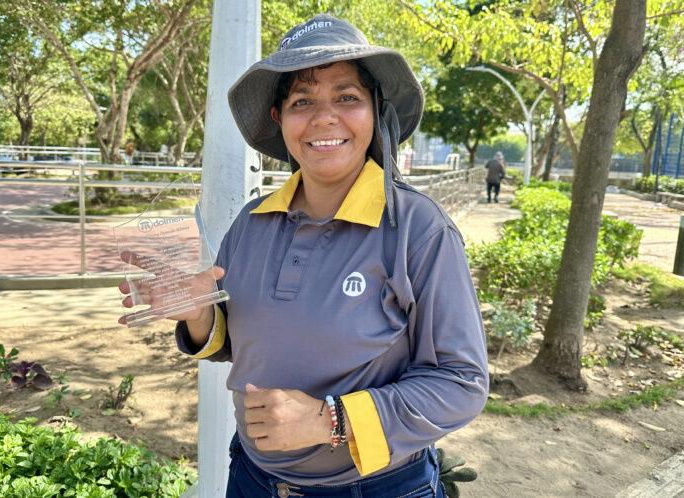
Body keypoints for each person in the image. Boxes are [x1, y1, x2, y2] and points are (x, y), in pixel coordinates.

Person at [120, 14, 488, 497]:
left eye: (347, 97)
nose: (323, 118)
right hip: (252, 478)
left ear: (375, 110)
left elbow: (461, 382)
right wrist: (198, 316)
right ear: (279, 118)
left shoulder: (418, 230)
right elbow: (238, 343)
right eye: (302, 101)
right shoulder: (252, 223)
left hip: (374, 488)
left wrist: (328, 419)